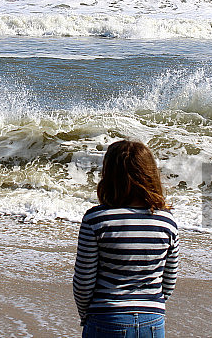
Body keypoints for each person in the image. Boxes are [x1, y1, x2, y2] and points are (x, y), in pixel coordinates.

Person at [73, 140, 180, 338]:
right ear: (150, 174)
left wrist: (86, 315)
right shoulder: (166, 222)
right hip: (153, 322)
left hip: (107, 317)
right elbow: (168, 283)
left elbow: (83, 283)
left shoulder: (96, 220)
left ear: (109, 176)